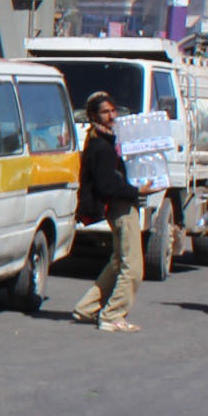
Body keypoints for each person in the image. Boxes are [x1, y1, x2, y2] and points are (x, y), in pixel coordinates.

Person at [69, 91, 148, 332]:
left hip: (121, 205)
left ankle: (87, 309)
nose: (112, 115)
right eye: (105, 112)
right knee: (132, 267)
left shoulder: (105, 140)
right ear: (94, 116)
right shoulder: (101, 146)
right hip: (120, 207)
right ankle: (112, 315)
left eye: (113, 110)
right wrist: (136, 191)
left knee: (117, 261)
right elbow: (107, 185)